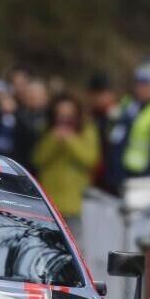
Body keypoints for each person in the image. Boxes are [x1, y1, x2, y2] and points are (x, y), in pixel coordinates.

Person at [101, 62, 150, 194]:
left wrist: (147, 179)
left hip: (142, 180)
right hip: (121, 174)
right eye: (139, 84)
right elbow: (116, 138)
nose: (142, 88)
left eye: (147, 84)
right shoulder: (128, 106)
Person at [32, 94, 100, 235]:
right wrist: (53, 140)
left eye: (69, 114)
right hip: (49, 204)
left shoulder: (87, 130)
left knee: (75, 242)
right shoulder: (46, 130)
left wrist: (70, 140)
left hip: (74, 204)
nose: (64, 118)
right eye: (60, 114)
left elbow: (90, 160)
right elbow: (38, 159)